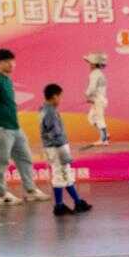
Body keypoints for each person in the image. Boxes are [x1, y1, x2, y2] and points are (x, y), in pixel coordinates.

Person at [0, 48, 48, 206]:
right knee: (0, 161)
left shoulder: (7, 80)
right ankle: (3, 195)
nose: (11, 64)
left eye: (12, 61)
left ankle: (30, 190)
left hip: (14, 127)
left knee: (25, 157)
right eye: (7, 61)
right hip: (0, 128)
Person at [40, 84, 92, 217]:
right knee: (60, 175)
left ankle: (77, 202)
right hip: (57, 147)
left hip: (54, 147)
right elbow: (55, 133)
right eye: (60, 97)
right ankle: (59, 206)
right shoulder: (50, 112)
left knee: (66, 175)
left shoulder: (44, 109)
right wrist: (63, 151)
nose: (61, 100)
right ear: (54, 96)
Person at [83, 52, 110, 146]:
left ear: (94, 64)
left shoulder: (94, 74)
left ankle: (104, 139)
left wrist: (87, 95)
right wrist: (91, 98)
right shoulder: (99, 74)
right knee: (91, 118)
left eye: (90, 62)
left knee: (99, 118)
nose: (89, 64)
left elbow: (92, 88)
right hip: (99, 99)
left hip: (98, 100)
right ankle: (105, 135)